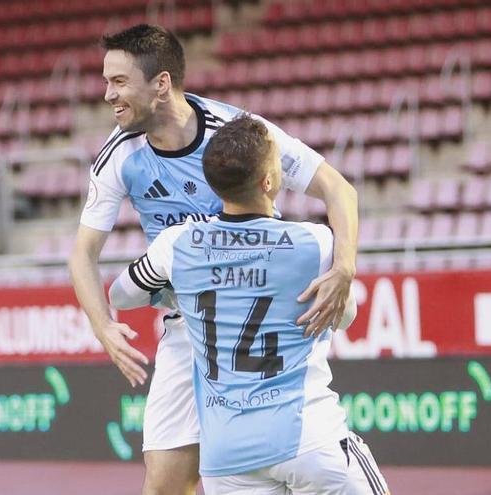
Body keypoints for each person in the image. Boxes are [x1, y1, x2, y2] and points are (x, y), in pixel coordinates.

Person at [68, 24, 359, 494]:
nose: (107, 95)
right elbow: (83, 253)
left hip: (262, 321)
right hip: (188, 327)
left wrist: (344, 267)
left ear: (161, 83)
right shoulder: (120, 156)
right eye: (106, 82)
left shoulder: (240, 133)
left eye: (119, 82)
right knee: (165, 485)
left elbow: (337, 189)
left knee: (286, 464)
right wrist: (102, 325)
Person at [108, 114, 388, 494]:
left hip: (227, 459)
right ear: (269, 181)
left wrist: (178, 293)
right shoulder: (314, 243)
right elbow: (345, 317)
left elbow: (121, 295)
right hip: (307, 438)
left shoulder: (177, 244)